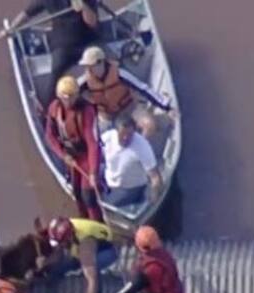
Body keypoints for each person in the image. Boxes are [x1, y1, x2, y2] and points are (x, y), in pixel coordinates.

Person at [6, 0, 100, 107]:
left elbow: (92, 23)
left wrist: (84, 5)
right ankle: (48, 107)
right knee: (56, 70)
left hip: (88, 40)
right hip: (63, 43)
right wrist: (11, 29)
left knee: (104, 62)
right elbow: (28, 13)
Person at [76, 45, 172, 133]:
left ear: (101, 62)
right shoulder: (85, 81)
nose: (89, 69)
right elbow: (69, 94)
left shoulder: (120, 73)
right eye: (86, 67)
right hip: (106, 117)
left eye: (91, 66)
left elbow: (142, 88)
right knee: (91, 135)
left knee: (149, 125)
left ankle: (142, 144)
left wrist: (166, 107)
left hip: (129, 108)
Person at [45, 75, 102, 220]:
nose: (68, 101)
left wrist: (93, 172)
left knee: (88, 195)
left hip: (86, 156)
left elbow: (92, 143)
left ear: (77, 95)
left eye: (72, 97)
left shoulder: (86, 111)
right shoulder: (54, 109)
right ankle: (84, 220)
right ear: (59, 97)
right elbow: (50, 136)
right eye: (65, 98)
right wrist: (63, 155)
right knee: (76, 192)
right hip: (70, 157)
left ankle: (98, 227)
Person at [44, 216, 118, 293]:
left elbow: (92, 279)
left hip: (108, 250)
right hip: (83, 247)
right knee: (60, 267)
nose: (61, 245)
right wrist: (44, 265)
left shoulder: (85, 241)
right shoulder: (69, 227)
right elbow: (58, 252)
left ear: (69, 237)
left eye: (62, 242)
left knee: (92, 273)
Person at [100, 115, 162, 207]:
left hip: (129, 188)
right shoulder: (107, 137)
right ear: (116, 131)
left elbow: (155, 177)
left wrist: (154, 196)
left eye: (129, 135)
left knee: (106, 206)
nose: (125, 138)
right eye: (122, 134)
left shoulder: (142, 146)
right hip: (109, 178)